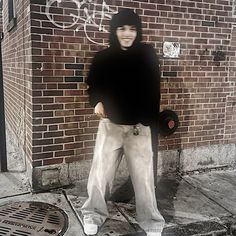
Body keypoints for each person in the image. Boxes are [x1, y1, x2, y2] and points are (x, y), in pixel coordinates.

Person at [81, 9, 165, 236]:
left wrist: (150, 122)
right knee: (100, 175)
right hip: (111, 126)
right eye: (122, 28)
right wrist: (96, 101)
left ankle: (152, 222)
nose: (127, 34)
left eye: (132, 29)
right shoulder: (103, 58)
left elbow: (154, 90)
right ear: (114, 31)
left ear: (137, 31)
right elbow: (93, 85)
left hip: (139, 127)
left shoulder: (147, 55)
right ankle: (93, 215)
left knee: (144, 180)